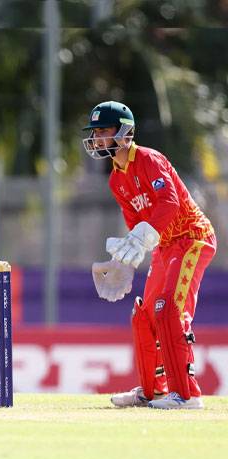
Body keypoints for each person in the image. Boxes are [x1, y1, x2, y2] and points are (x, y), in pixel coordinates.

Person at [85, 101, 216, 410]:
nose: (98, 138)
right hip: (164, 246)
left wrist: (142, 237)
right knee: (144, 315)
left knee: (169, 309)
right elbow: (136, 226)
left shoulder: (149, 159)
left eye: (103, 131)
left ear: (124, 132)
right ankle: (152, 391)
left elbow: (169, 203)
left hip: (192, 238)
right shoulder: (116, 180)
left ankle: (186, 395)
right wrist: (123, 263)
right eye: (95, 132)